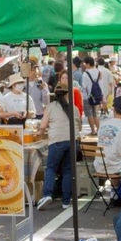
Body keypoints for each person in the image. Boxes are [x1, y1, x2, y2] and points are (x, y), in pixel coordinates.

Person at [36, 83, 82, 211]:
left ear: (55, 95)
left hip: (56, 141)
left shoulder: (50, 107)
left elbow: (43, 126)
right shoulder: (74, 108)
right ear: (68, 94)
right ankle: (66, 201)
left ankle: (47, 194)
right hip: (72, 141)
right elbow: (79, 125)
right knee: (68, 170)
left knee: (51, 168)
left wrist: (39, 132)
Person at [81, 56, 102, 135]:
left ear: (88, 64)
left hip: (88, 97)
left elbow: (84, 86)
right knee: (95, 114)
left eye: (85, 64)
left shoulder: (85, 74)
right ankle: (99, 130)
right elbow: (100, 84)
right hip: (97, 96)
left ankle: (93, 130)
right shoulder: (98, 72)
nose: (84, 65)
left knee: (89, 114)